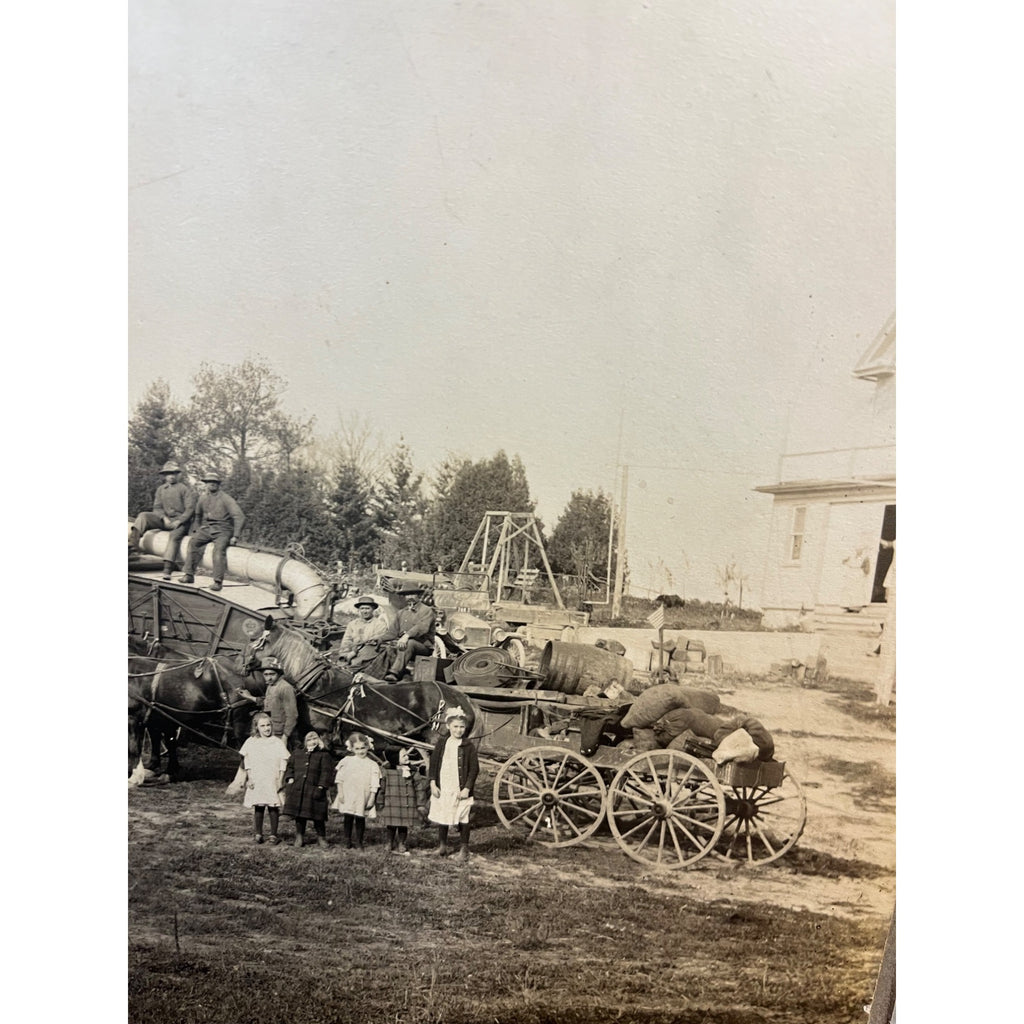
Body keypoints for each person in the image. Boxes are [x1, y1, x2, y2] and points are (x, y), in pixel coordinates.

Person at [178, 470, 245, 592]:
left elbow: (239, 516)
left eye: (214, 482)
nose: (211, 484)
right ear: (206, 484)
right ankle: (188, 575)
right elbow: (197, 515)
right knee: (193, 542)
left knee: (218, 550)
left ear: (218, 484)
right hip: (207, 528)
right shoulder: (203, 498)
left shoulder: (226, 498)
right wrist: (197, 529)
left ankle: (217, 581)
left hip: (224, 530)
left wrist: (235, 536)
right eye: (209, 482)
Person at [129, 461, 197, 580]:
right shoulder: (161, 489)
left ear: (177, 475)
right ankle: (132, 546)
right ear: (165, 476)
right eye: (168, 474)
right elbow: (157, 507)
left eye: (174, 474)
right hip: (165, 520)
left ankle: (167, 568)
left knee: (174, 537)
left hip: (180, 522)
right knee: (143, 516)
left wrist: (179, 521)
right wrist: (163, 518)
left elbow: (190, 509)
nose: (171, 476)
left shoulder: (184, 489)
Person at [428, 706, 479, 861]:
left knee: (463, 817)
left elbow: (474, 769)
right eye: (455, 726)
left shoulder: (468, 746)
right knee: (443, 814)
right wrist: (432, 783)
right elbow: (434, 764)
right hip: (444, 785)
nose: (458, 730)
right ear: (448, 726)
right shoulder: (442, 743)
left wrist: (467, 788)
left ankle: (464, 849)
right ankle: (442, 846)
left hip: (460, 787)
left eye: (462, 727)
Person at [238, 711, 290, 845]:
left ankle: (273, 834)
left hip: (272, 778)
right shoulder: (251, 742)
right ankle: (258, 833)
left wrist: (280, 779)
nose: (266, 728)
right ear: (257, 727)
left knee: (273, 806)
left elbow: (283, 761)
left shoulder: (277, 742)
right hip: (257, 778)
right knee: (259, 805)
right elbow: (247, 761)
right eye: (262, 726)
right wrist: (249, 778)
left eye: (268, 725)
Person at [282, 731, 335, 849]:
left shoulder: (324, 755)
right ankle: (299, 836)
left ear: (319, 740)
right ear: (305, 742)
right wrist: (290, 778)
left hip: (315, 789)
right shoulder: (297, 754)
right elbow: (290, 767)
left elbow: (326, 772)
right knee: (300, 815)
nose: (312, 742)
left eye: (315, 739)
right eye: (309, 740)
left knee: (318, 816)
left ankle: (321, 837)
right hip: (299, 789)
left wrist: (321, 786)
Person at [332, 732, 382, 850]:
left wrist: (371, 798)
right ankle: (347, 841)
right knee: (348, 817)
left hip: (363, 795)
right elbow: (340, 779)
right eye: (357, 749)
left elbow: (375, 783)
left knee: (360, 818)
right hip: (349, 793)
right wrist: (341, 793)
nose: (360, 751)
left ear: (367, 747)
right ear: (352, 749)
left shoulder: (372, 764)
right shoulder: (347, 761)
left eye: (363, 748)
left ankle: (359, 842)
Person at [237, 657, 299, 750]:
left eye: (272, 674)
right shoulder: (271, 686)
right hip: (269, 730)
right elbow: (268, 703)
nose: (269, 677)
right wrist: (249, 696)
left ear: (278, 674)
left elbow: (292, 715)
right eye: (266, 674)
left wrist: (285, 737)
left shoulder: (285, 688)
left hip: (280, 733)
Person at [378, 747, 430, 856]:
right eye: (404, 756)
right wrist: (380, 802)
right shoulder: (387, 771)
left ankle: (402, 843)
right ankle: (389, 842)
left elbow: (419, 788)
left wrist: (420, 804)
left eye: (407, 755)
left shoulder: (412, 771)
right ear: (395, 758)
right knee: (391, 825)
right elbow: (381, 788)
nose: (407, 757)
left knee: (403, 825)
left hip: (407, 802)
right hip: (392, 803)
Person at [384, 585, 437, 681]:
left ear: (418, 595)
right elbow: (392, 632)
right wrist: (378, 639)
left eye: (412, 594)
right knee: (384, 647)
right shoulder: (401, 612)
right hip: (403, 644)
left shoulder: (427, 610)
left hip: (422, 646)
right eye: (407, 595)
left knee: (409, 643)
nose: (410, 597)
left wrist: (406, 636)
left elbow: (422, 627)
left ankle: (394, 672)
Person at [338, 595, 397, 667]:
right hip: (352, 653)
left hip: (370, 654)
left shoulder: (380, 624)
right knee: (339, 667)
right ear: (359, 610)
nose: (364, 611)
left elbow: (373, 643)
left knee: (355, 664)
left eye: (367, 608)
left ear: (373, 609)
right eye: (362, 608)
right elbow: (346, 641)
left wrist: (354, 652)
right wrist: (345, 655)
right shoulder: (352, 624)